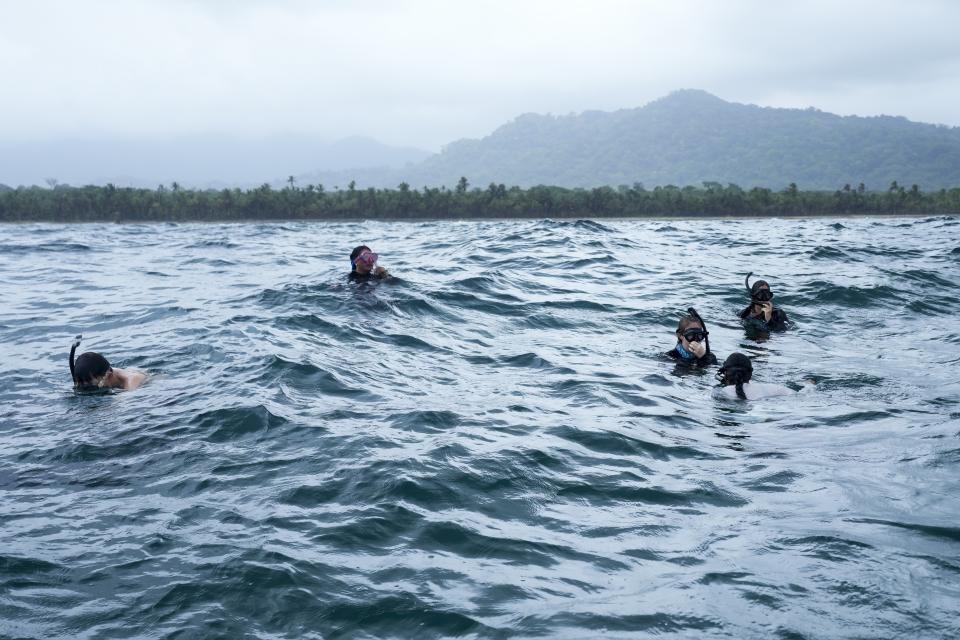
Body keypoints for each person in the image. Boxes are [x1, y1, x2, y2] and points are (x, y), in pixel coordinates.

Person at [69, 335, 146, 391]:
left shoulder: (132, 381)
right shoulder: (103, 373)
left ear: (109, 374)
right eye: (81, 384)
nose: (86, 388)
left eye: (92, 385)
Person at [715, 352, 797, 400]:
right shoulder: (773, 388)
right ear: (750, 374)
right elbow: (795, 395)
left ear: (725, 373)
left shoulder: (723, 392)